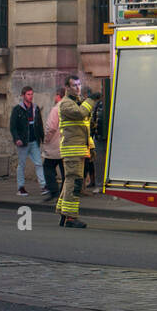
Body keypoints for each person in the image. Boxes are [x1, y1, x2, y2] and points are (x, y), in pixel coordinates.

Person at [56, 78, 95, 228]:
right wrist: (91, 100)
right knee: (75, 182)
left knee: (69, 181)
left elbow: (84, 127)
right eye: (74, 85)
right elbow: (80, 114)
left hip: (78, 150)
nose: (78, 88)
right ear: (67, 87)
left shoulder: (76, 102)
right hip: (72, 150)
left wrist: (90, 147)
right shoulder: (66, 103)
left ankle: (63, 213)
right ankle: (71, 218)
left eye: (79, 85)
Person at [10, 86, 47, 196]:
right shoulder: (17, 109)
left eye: (31, 94)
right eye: (28, 94)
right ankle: (20, 187)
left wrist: (42, 138)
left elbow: (40, 125)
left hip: (34, 141)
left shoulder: (35, 108)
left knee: (39, 163)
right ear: (23, 95)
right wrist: (17, 139)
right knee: (21, 164)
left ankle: (43, 185)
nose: (30, 97)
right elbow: (13, 126)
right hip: (23, 142)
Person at [41, 85, 65, 202]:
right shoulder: (70, 107)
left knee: (48, 167)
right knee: (66, 171)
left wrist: (46, 140)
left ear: (58, 96)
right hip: (67, 145)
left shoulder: (56, 109)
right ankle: (64, 194)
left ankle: (54, 192)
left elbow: (51, 127)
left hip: (55, 146)